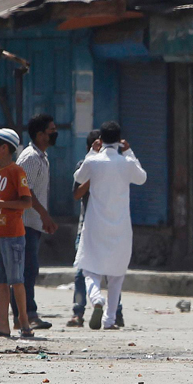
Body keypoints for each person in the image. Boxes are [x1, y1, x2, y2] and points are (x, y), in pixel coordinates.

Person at [73, 122, 147, 330]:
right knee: (116, 276)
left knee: (89, 269)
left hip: (95, 223)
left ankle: (96, 298)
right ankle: (109, 320)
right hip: (121, 226)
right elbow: (142, 178)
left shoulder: (94, 161)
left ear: (101, 139)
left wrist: (90, 153)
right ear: (119, 140)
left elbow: (78, 178)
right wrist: (130, 151)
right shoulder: (126, 163)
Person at [67, 129, 125, 328]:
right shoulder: (85, 165)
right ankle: (79, 312)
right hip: (88, 226)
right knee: (82, 270)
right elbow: (76, 194)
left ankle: (116, 313)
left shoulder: (117, 164)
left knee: (113, 270)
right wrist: (93, 176)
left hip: (111, 225)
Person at [0, 129, 33, 338]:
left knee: (16, 280)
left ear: (4, 148)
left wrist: (1, 204)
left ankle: (24, 323)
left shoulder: (16, 172)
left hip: (12, 234)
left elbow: (26, 202)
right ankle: (3, 323)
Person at [13, 113, 59, 329]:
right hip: (24, 222)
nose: (54, 133)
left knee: (28, 269)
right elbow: (26, 191)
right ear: (40, 135)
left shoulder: (41, 157)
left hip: (32, 222)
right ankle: (27, 315)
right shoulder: (31, 157)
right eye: (51, 130)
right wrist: (44, 215)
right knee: (26, 270)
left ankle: (24, 314)